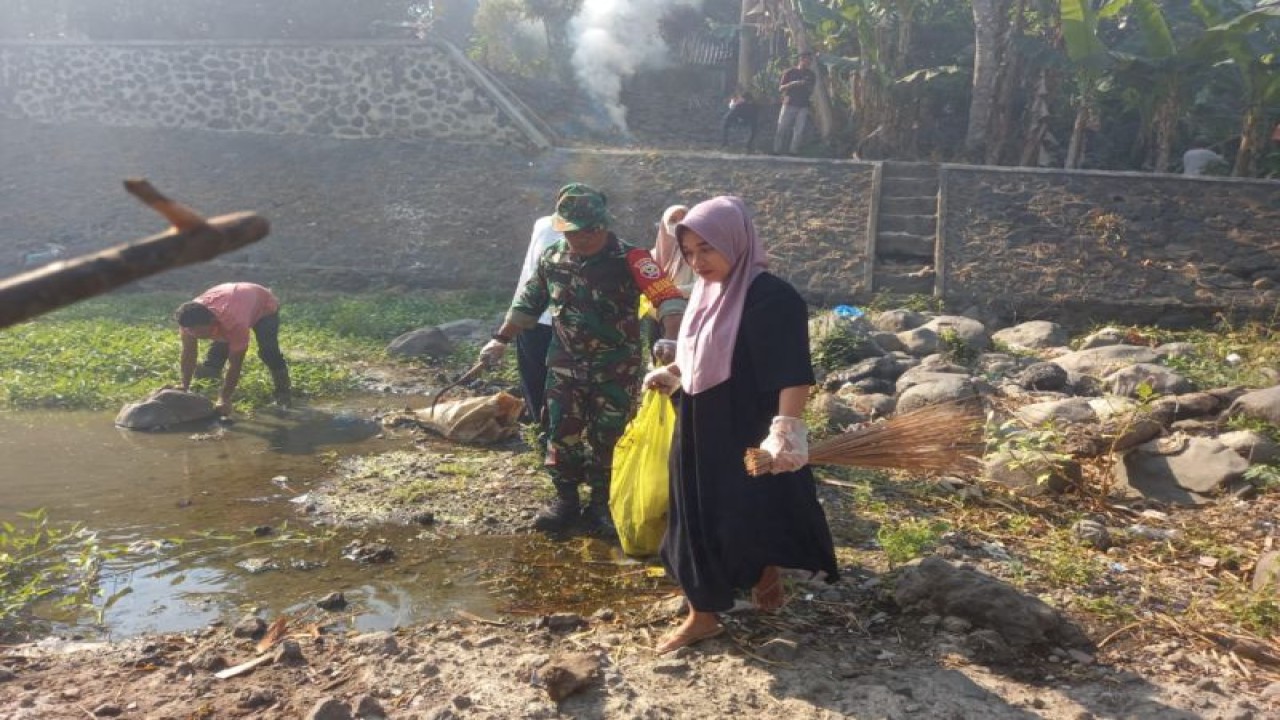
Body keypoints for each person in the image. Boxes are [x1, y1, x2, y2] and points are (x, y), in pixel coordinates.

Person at [643, 195, 838, 655]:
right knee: (694, 512)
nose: (697, 261)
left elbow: (792, 370)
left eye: (707, 248)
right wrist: (674, 374)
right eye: (689, 252)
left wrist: (787, 429)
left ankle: (760, 569)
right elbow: (701, 353)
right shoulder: (707, 293)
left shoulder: (773, 298)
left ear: (736, 240)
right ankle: (703, 614)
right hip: (697, 423)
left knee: (746, 510)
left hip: (748, 426)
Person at [479, 184, 687, 534]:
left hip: (615, 368)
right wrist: (499, 340)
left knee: (609, 435)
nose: (580, 239)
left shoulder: (633, 259)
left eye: (587, 232)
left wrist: (670, 338)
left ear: (603, 226)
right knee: (560, 433)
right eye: (572, 232)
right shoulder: (553, 258)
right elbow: (527, 305)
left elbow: (668, 299)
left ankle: (601, 505)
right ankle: (565, 500)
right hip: (564, 366)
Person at [175, 282, 290, 416]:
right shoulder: (188, 320)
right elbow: (189, 353)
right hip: (231, 300)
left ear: (212, 322)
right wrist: (184, 385)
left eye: (199, 331)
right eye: (191, 331)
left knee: (268, 351)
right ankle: (206, 384)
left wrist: (224, 398)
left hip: (263, 306)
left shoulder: (236, 323)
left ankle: (283, 391)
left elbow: (235, 364)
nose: (194, 335)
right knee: (215, 359)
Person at [511, 215, 561, 428]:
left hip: (538, 318)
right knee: (539, 378)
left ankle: (543, 428)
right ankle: (544, 430)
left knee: (537, 379)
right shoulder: (544, 226)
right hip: (541, 318)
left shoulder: (543, 224)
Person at [774, 51, 817, 156]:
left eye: (810, 61)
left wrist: (806, 85)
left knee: (799, 130)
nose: (808, 62)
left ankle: (793, 152)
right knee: (782, 128)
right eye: (807, 60)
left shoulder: (811, 75)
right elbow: (781, 88)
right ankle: (777, 150)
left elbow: (811, 90)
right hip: (789, 103)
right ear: (801, 59)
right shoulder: (790, 72)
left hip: (803, 105)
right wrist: (793, 84)